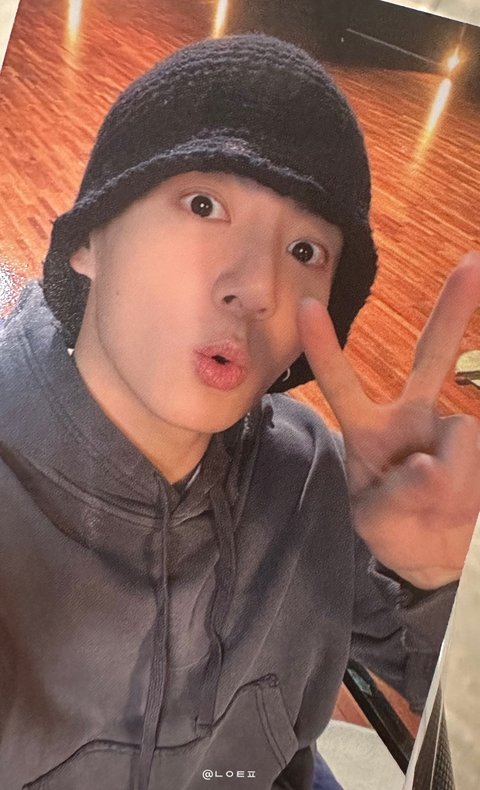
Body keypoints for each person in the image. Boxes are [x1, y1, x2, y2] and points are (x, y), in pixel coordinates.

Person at [0, 33, 479, 790]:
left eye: (305, 251)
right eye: (204, 204)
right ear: (89, 237)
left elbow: (459, 728)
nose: (258, 287)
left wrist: (446, 586)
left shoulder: (314, 478)